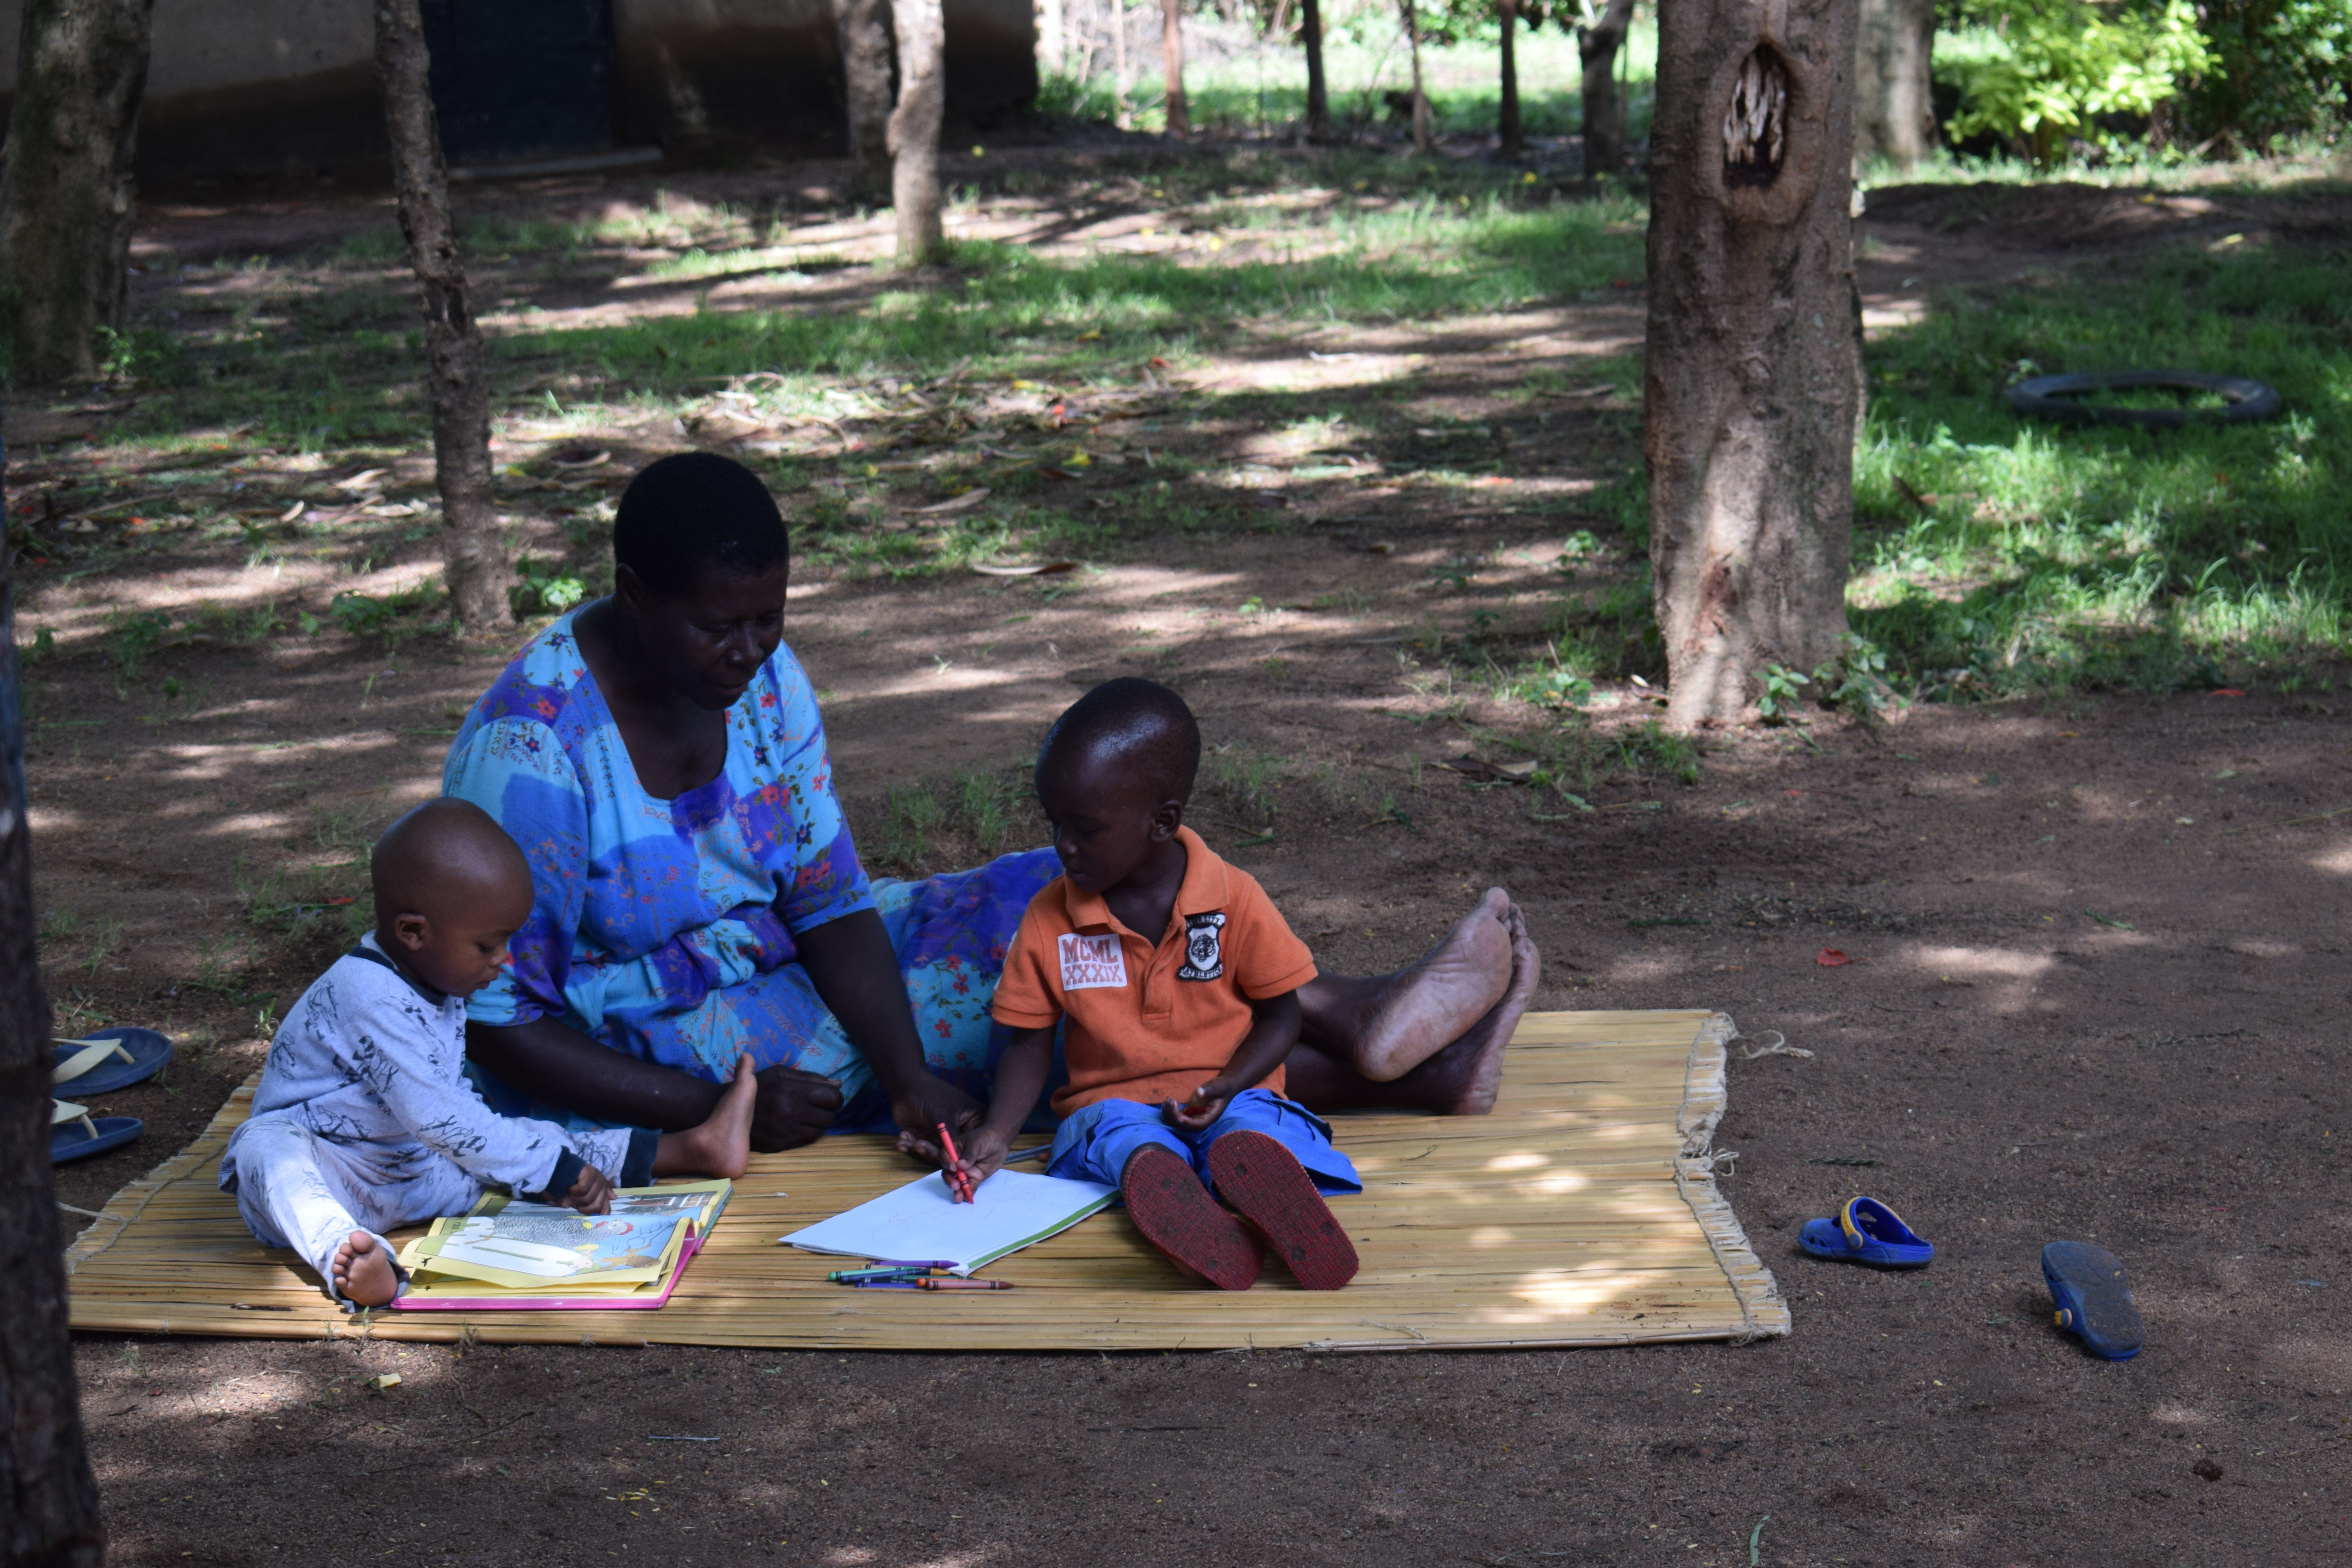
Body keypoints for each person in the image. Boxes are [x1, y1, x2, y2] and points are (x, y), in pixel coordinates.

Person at [443, 452, 1540, 1153]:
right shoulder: (532, 753)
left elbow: (828, 901)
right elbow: (501, 1025)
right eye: (716, 628)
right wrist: (709, 1107)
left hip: (785, 960)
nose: (749, 653)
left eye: (768, 619)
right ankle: (1404, 1068)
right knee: (1049, 1009)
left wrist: (910, 1076)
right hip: (653, 1038)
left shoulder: (768, 681)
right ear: (634, 595)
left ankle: (1358, 1017)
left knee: (1052, 901)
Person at [216, 799, 757, 1308]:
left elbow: (455, 1114)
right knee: (264, 1149)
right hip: (328, 1170)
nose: (504, 960)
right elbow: (440, 1116)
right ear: (413, 933)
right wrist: (550, 1170)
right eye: (487, 945)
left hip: (412, 1173)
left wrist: (546, 1163)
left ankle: (692, 1150)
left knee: (524, 1140)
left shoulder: (442, 985)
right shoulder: (366, 991)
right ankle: (352, 1256)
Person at [910, 679, 1359, 1291]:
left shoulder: (1235, 899)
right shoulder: (1050, 917)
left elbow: (1282, 1016)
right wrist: (996, 1133)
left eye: (1086, 829)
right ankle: (1179, 1208)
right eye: (1055, 824)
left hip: (1232, 1095)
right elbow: (1027, 1044)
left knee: (1258, 1128)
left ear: (1162, 822)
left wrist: (1229, 1084)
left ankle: (1260, 1192)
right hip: (1113, 1106)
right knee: (1124, 1141)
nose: (1063, 845)